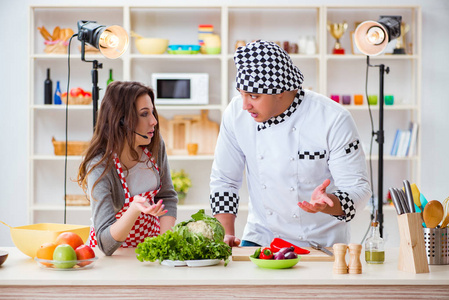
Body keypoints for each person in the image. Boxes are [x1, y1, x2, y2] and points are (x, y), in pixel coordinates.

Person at [209, 40, 371, 248]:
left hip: (321, 244)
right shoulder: (235, 115)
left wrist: (327, 203)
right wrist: (226, 234)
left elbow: (358, 189)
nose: (245, 105)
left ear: (280, 91)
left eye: (254, 96)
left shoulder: (333, 119)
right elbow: (224, 180)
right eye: (241, 94)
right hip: (262, 238)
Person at [77, 81, 178, 256]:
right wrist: (134, 209)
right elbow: (105, 244)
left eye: (152, 112)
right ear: (122, 121)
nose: (154, 121)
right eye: (144, 114)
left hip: (149, 251)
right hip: (113, 259)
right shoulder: (100, 166)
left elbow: (167, 196)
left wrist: (164, 243)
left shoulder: (154, 145)